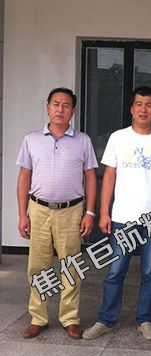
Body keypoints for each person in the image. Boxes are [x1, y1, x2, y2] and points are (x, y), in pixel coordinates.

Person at [83, 86, 151, 341]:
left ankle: (145, 319)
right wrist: (104, 212)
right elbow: (109, 177)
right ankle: (106, 319)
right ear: (131, 109)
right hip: (123, 217)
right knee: (115, 270)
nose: (143, 109)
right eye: (139, 104)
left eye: (148, 105)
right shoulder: (118, 138)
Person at [16, 87, 98, 339]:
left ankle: (70, 318)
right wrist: (22, 215)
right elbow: (24, 177)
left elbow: (91, 177)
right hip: (38, 210)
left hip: (71, 211)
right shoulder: (31, 139)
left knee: (71, 266)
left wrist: (90, 212)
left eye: (66, 105)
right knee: (38, 266)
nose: (60, 109)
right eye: (55, 104)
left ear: (73, 111)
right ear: (48, 107)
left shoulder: (83, 141)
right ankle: (38, 318)